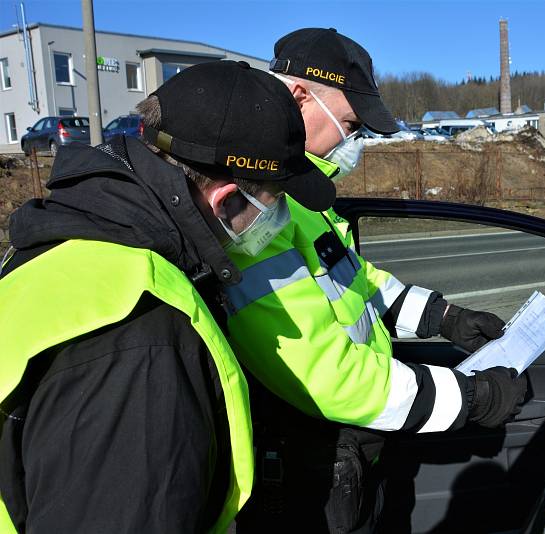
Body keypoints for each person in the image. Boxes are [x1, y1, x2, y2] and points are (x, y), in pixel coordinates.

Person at [0, 60, 336, 533]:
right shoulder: (143, 337)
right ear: (226, 200)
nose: (277, 220)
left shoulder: (66, 240)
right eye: (275, 201)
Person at [226, 29, 529, 533]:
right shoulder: (256, 215)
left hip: (352, 453)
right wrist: (473, 398)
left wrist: (444, 317)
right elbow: (326, 374)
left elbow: (358, 283)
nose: (355, 141)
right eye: (350, 124)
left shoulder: (298, 200)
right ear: (300, 97)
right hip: (307, 477)